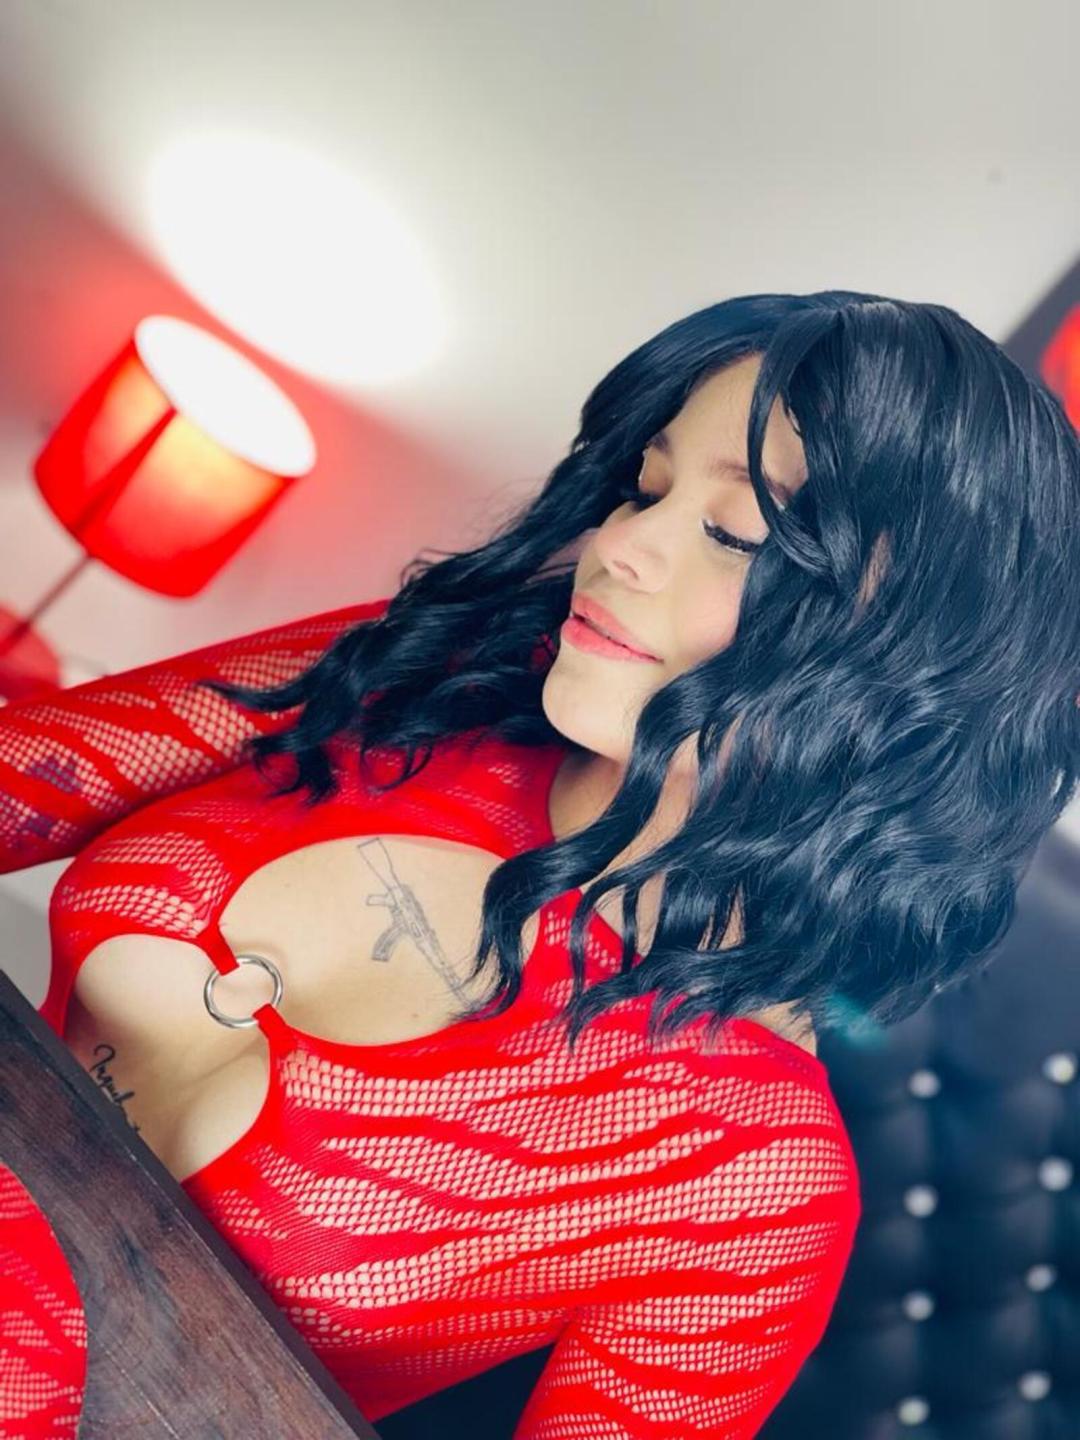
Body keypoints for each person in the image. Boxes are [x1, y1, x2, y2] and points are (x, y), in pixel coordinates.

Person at [2, 289, 1077, 1437]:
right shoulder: (433, 672)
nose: (619, 546)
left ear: (913, 671)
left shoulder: (753, 1187)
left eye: (734, 534)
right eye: (648, 488)